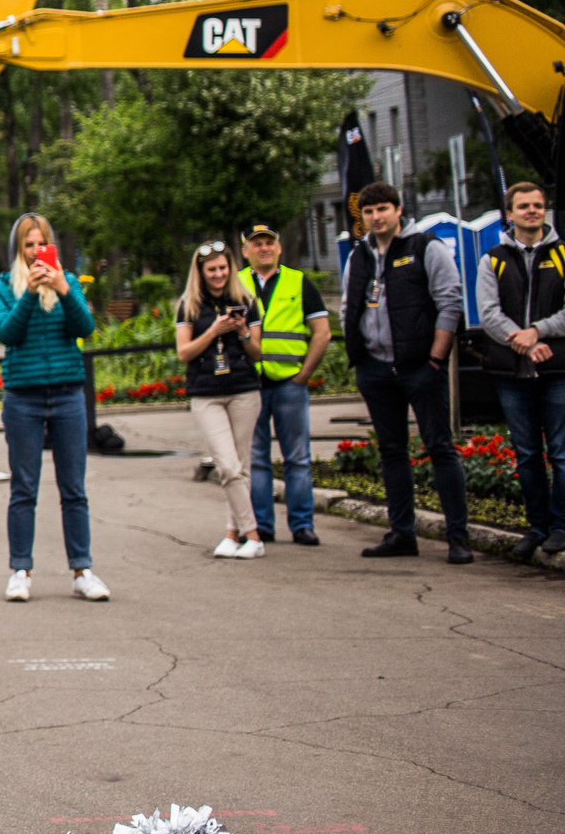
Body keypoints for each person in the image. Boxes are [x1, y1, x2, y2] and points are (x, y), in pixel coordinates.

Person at [344, 182, 472, 564]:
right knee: (392, 452)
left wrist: (435, 359)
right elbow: (349, 307)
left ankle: (458, 538)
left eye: (383, 208)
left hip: (420, 368)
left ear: (399, 210)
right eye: (368, 211)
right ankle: (402, 534)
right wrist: (360, 356)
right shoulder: (358, 256)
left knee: (440, 448)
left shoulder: (426, 247)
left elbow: (450, 303)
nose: (376, 217)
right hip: (375, 369)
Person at [0, 214, 106, 603]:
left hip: (67, 394)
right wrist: (29, 293)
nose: (36, 252)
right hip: (23, 398)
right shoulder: (1, 287)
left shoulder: (68, 281)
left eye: (42, 244)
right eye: (29, 245)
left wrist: (64, 291)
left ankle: (82, 570)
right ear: (18, 249)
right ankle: (20, 571)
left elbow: (84, 328)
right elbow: (7, 333)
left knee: (73, 488)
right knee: (24, 488)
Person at [475, 181, 565, 561]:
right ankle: (537, 527)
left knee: (561, 453)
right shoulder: (492, 259)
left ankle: (561, 528)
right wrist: (525, 342)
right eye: (524, 206)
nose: (532, 211)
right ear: (509, 214)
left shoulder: (563, 254)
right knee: (527, 454)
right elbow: (488, 313)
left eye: (538, 205)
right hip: (511, 374)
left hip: (557, 369)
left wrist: (537, 331)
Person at [241, 224, 332, 548]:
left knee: (297, 458)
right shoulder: (235, 283)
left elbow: (322, 332)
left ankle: (302, 525)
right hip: (250, 384)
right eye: (257, 244)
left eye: (269, 242)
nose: (264, 248)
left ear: (279, 248)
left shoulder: (299, 281)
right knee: (256, 459)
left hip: (289, 384)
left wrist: (304, 374)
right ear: (246, 251)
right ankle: (262, 526)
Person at [175, 241, 266, 557]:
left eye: (223, 268)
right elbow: (184, 353)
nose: (218, 274)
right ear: (200, 272)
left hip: (244, 389)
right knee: (227, 465)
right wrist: (214, 330)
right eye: (211, 269)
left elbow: (257, 352)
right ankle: (253, 536)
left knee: (241, 466)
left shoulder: (246, 300)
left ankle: (232, 534)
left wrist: (242, 332)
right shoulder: (188, 305)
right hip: (206, 394)